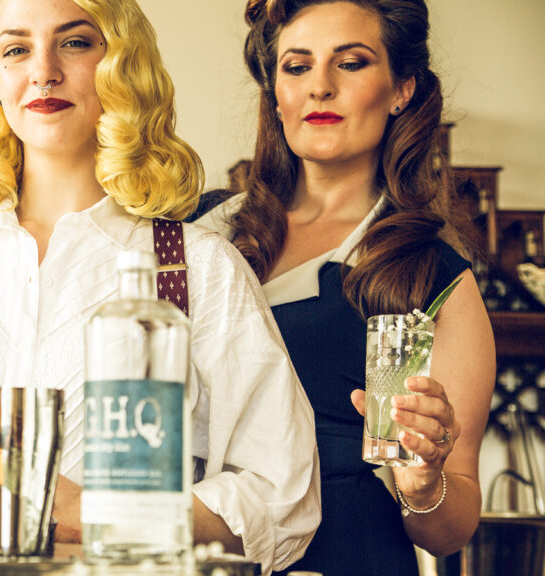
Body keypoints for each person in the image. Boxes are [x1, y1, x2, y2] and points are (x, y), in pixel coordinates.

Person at [0, 0, 320, 573]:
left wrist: (96, 517)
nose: (42, 71)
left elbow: (281, 495)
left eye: (74, 43)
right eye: (16, 49)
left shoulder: (199, 269)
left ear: (123, 65)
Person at [194, 1, 495, 574]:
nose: (320, 87)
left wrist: (423, 479)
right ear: (275, 93)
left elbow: (450, 530)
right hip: (193, 552)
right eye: (297, 67)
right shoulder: (201, 230)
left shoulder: (430, 276)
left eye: (351, 63)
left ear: (401, 89)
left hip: (347, 555)